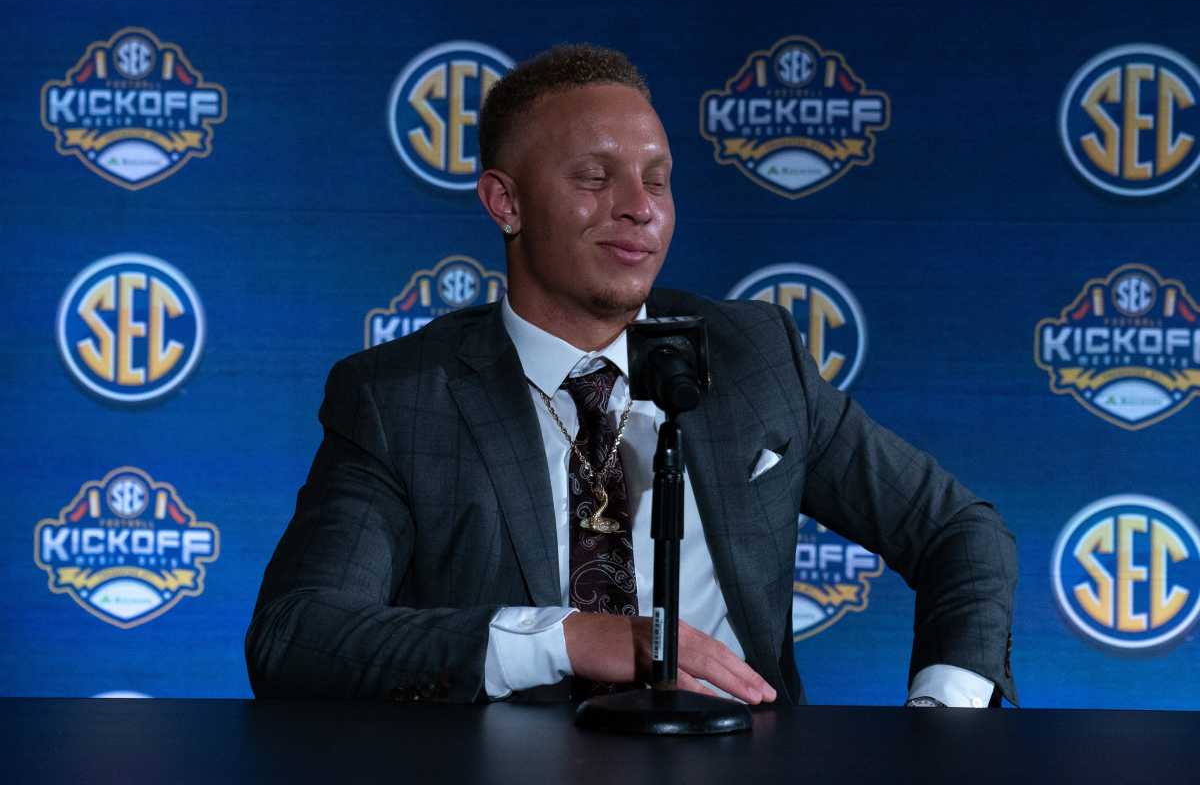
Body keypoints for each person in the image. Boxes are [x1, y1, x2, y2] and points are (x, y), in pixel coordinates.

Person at [246, 44, 1016, 708]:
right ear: (504, 202)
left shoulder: (755, 357)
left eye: (658, 178)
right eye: (594, 177)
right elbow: (299, 633)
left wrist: (942, 717)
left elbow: (956, 531)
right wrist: (565, 639)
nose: (640, 208)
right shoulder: (400, 399)